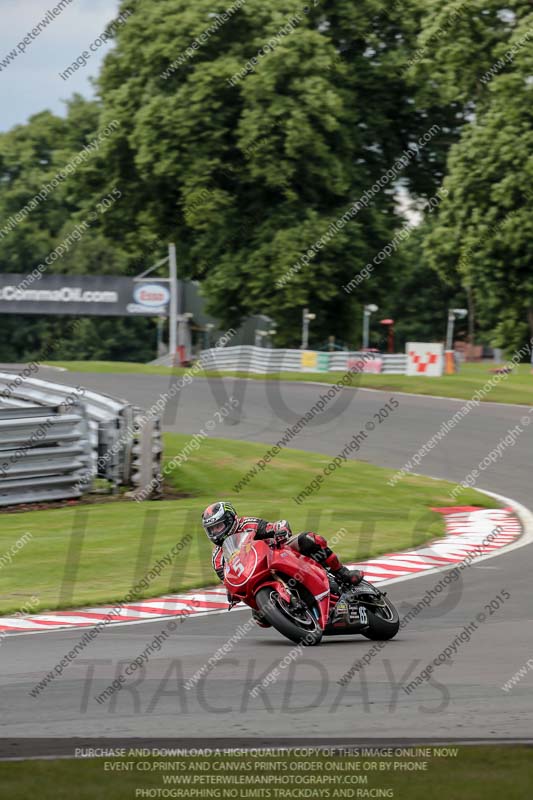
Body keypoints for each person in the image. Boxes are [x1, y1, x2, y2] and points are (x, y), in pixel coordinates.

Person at [201, 501, 364, 627]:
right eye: (212, 529)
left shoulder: (247, 524)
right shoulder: (217, 558)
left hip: (277, 554)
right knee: (261, 618)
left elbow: (274, 526)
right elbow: (228, 580)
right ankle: (296, 616)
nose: (216, 532)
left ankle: (341, 573)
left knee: (309, 540)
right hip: (255, 577)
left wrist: (280, 530)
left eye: (219, 526)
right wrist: (232, 592)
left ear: (230, 519)